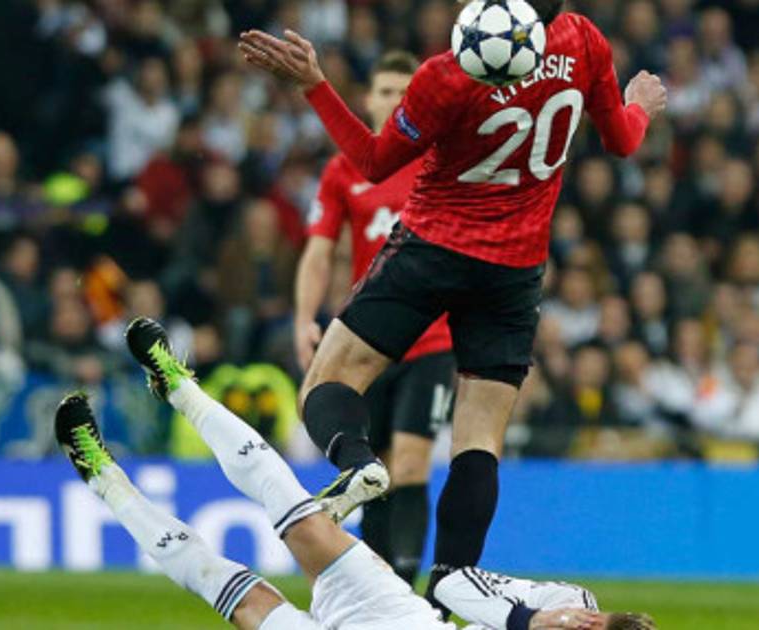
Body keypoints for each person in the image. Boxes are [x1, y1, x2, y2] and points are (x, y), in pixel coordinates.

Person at [238, 0, 666, 611]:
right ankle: (450, 589)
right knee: (480, 438)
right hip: (515, 271)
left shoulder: (448, 73)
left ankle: (357, 462)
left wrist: (314, 85)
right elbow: (622, 140)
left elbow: (374, 161)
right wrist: (639, 106)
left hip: (432, 249)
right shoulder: (584, 42)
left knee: (326, 383)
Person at [52, 316, 652, 630]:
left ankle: (102, 477)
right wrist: (529, 620)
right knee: (300, 517)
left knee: (225, 589)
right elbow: (453, 586)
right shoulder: (565, 600)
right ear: (599, 620)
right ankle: (179, 387)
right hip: (397, 617)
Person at [294, 50, 455, 587]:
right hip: (370, 341)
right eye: (385, 91)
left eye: (404, 93)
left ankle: (406, 589)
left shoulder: (438, 162)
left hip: (432, 338)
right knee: (375, 471)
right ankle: (382, 589)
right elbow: (319, 251)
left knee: (410, 464)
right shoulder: (344, 169)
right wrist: (304, 318)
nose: (393, 102)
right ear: (367, 99)